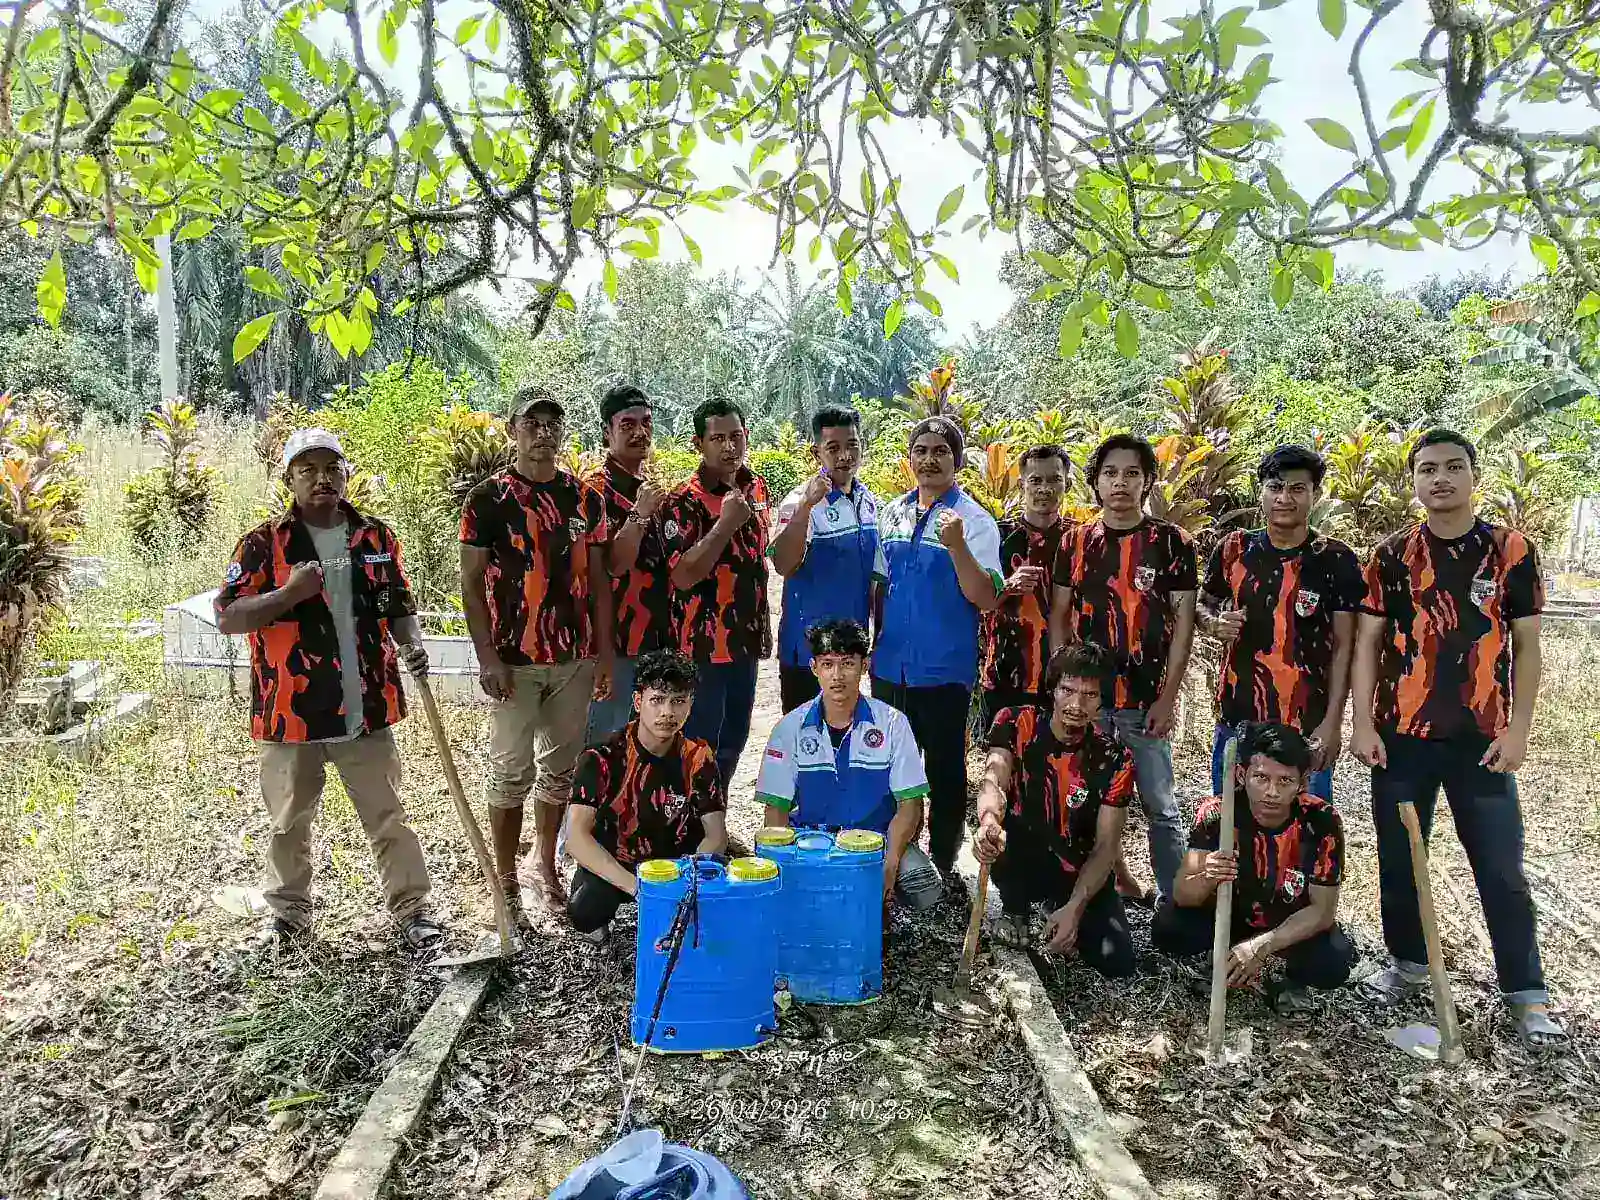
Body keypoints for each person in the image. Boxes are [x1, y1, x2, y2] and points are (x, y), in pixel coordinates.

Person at [1350, 429, 1566, 1050]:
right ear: (1413, 481)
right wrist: (1363, 722)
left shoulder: (1510, 551)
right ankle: (1409, 966)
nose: (1439, 478)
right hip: (1403, 737)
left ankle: (1526, 993)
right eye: (1426, 469)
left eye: (1452, 467)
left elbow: (1526, 646)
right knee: (1399, 859)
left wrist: (1519, 728)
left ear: (1474, 475)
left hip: (1482, 740)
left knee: (1500, 866)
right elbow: (1367, 643)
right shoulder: (1391, 556)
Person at [215, 429, 443, 951]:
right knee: (288, 821)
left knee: (388, 815)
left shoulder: (376, 537)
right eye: (307, 469)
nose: (321, 479)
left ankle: (412, 910)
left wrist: (412, 644)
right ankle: (289, 917)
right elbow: (229, 615)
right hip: (290, 710)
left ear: (346, 474)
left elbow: (398, 604)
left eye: (331, 468)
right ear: (289, 479)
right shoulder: (262, 543)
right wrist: (289, 593)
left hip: (364, 705)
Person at [460, 388, 614, 918]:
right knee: (509, 771)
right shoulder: (487, 500)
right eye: (533, 423)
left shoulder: (583, 498)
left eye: (553, 423)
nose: (544, 433)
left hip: (572, 659)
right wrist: (487, 656)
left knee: (561, 771)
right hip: (513, 660)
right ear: (513, 430)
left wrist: (604, 654)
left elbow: (597, 580)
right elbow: (472, 580)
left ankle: (544, 863)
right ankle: (502, 885)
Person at [1049, 433, 1196, 904]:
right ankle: (1102, 887)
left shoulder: (1171, 542)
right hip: (1089, 702)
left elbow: (1184, 626)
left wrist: (1167, 698)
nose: (1120, 483)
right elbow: (1059, 614)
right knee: (1088, 797)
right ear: (1095, 482)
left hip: (1145, 703)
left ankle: (1174, 900)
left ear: (1147, 481)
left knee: (1160, 805)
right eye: (1110, 473)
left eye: (1132, 473)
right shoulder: (1075, 541)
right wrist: (1064, 684)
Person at [871, 415, 1003, 877]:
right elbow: (879, 589)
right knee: (891, 769)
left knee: (945, 773)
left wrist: (957, 547)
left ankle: (945, 864)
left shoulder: (976, 520)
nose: (929, 460)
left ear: (958, 460)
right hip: (890, 668)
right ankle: (900, 859)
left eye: (940, 451)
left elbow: (986, 597)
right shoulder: (892, 513)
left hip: (945, 669)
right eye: (921, 451)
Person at [1152, 722, 1356, 1012]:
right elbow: (1182, 893)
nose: (1271, 792)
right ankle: (1222, 960)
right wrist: (1208, 875)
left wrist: (1261, 948)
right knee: (1168, 927)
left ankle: (1289, 980)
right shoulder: (1217, 814)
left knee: (1332, 962)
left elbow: (1322, 912)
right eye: (1260, 777)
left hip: (1287, 921)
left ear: (1303, 783)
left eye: (1285, 781)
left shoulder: (1321, 821)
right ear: (1241, 775)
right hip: (1230, 914)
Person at [1198, 446, 1363, 801]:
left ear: (1315, 494)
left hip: (1305, 724)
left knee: (1304, 835)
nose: (1284, 498)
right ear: (1261, 491)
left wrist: (1332, 723)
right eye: (1274, 487)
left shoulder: (1335, 559)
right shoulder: (1234, 548)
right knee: (1229, 829)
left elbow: (1345, 647)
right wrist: (1214, 624)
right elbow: (1204, 604)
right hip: (1238, 719)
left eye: (1297, 489)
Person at [971, 643, 1137, 977]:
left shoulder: (1116, 758)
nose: (1076, 705)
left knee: (1116, 960)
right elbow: (994, 780)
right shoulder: (1015, 722)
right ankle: (1015, 908)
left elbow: (1106, 845)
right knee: (1007, 828)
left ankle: (1059, 909)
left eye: (1090, 695)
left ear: (1103, 700)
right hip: (1021, 852)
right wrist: (988, 820)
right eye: (1068, 690)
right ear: (1052, 690)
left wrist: (1076, 908)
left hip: (1077, 864)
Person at [755, 619, 941, 909]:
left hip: (873, 844)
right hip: (811, 843)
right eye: (828, 664)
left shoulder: (892, 723)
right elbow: (776, 809)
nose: (837, 675)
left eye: (847, 663)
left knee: (923, 885)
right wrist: (784, 865)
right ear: (814, 668)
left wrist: (890, 863)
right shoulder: (789, 728)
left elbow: (910, 805)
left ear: (865, 665)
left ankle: (880, 909)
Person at [566, 649, 729, 939]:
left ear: (690, 706)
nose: (668, 712)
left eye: (678, 701)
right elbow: (576, 838)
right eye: (657, 700)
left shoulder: (698, 759)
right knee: (585, 912)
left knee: (721, 906)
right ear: (639, 702)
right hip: (618, 861)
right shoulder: (601, 757)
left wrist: (687, 881)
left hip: (677, 866)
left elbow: (715, 834)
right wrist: (639, 889)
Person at [661, 397, 772, 788]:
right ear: (699, 444)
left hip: (743, 642)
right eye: (718, 438)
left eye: (736, 436)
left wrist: (764, 628)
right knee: (698, 740)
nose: (729, 446)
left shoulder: (755, 486)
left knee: (734, 739)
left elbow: (757, 564)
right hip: (701, 647)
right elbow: (683, 576)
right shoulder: (683, 500)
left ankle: (715, 817)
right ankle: (689, 827)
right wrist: (724, 525)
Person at [769, 406, 879, 714]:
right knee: (805, 746)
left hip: (850, 653)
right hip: (808, 654)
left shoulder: (868, 502)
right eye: (833, 448)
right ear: (816, 452)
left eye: (852, 445)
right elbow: (783, 565)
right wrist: (806, 507)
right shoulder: (798, 500)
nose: (845, 455)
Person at [584, 384, 670, 743]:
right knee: (604, 749)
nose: (640, 432)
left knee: (644, 747)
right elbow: (611, 567)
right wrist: (639, 515)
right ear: (607, 432)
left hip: (655, 642)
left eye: (647, 423)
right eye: (628, 424)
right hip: (613, 646)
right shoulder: (592, 492)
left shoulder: (648, 487)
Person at [977, 445, 1071, 733]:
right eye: (1036, 481)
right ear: (1022, 485)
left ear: (1067, 483)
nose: (1045, 489)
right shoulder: (997, 536)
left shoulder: (1080, 539)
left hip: (1063, 676)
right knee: (1004, 761)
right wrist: (1007, 587)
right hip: (1004, 673)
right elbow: (974, 597)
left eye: (1054, 480)